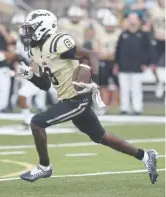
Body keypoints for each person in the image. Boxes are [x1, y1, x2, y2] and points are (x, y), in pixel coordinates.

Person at [17, 9, 158, 183]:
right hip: (68, 99)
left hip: (78, 98)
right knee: (102, 137)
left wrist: (95, 82)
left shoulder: (57, 42)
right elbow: (46, 85)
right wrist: (31, 76)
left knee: (37, 122)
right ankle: (145, 156)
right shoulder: (35, 50)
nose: (27, 33)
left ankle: (44, 167)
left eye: (31, 29)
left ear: (43, 28)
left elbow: (91, 55)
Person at [114, 13, 154, 115]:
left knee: (136, 89)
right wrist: (116, 64)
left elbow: (148, 50)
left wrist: (146, 63)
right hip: (123, 66)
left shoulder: (143, 35)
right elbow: (118, 50)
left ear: (138, 21)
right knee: (124, 89)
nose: (132, 22)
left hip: (137, 66)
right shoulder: (123, 34)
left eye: (134, 19)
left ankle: (137, 108)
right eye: (130, 19)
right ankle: (124, 108)